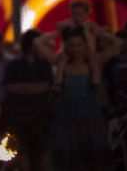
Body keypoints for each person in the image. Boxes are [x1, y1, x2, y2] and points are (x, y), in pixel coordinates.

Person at [40, 26, 110, 171]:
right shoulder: (62, 65)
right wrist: (61, 66)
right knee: (68, 158)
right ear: (67, 47)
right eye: (72, 45)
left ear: (84, 45)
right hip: (66, 116)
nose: (76, 49)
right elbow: (57, 88)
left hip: (89, 115)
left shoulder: (92, 65)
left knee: (91, 157)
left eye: (79, 45)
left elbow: (98, 90)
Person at [1, 29, 54, 171]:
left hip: (41, 118)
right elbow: (10, 87)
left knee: (40, 157)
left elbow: (46, 86)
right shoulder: (14, 64)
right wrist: (34, 88)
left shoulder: (44, 64)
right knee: (21, 157)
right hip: (19, 118)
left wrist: (24, 88)